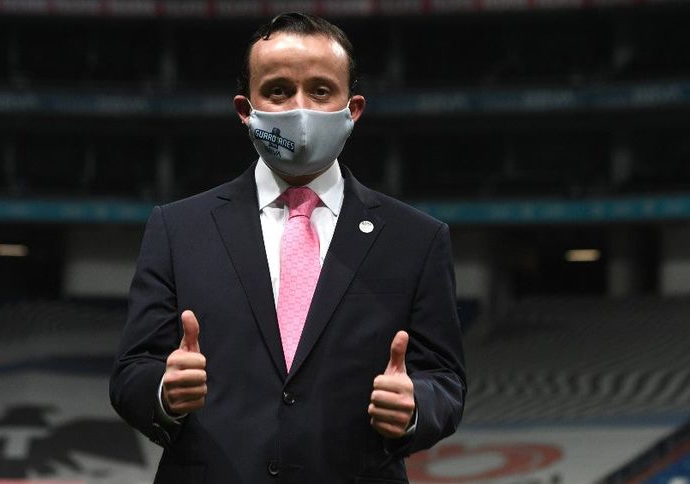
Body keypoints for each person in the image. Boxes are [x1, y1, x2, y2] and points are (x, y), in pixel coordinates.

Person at [110, 12, 466, 483]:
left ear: (353, 109)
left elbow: (445, 379)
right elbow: (131, 371)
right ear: (245, 109)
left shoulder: (416, 239)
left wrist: (416, 405)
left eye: (321, 90)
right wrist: (164, 392)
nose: (300, 108)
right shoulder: (177, 228)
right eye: (278, 90)